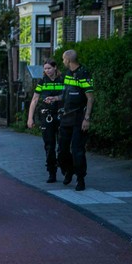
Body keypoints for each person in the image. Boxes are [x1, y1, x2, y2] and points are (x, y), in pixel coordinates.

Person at [54, 50, 94, 191]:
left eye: (63, 59)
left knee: (77, 150)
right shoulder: (67, 75)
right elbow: (65, 95)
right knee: (62, 150)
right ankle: (68, 170)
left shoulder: (83, 74)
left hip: (78, 117)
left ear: (69, 60)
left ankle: (80, 179)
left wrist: (87, 118)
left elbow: (90, 98)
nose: (62, 61)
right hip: (66, 117)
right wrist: (55, 98)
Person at [27, 59, 64, 183]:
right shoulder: (42, 82)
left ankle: (64, 166)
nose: (47, 71)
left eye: (49, 68)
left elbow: (68, 95)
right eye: (45, 69)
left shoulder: (63, 80)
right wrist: (30, 118)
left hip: (61, 116)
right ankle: (51, 173)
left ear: (55, 68)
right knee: (49, 146)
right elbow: (34, 100)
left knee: (63, 145)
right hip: (47, 117)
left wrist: (56, 98)